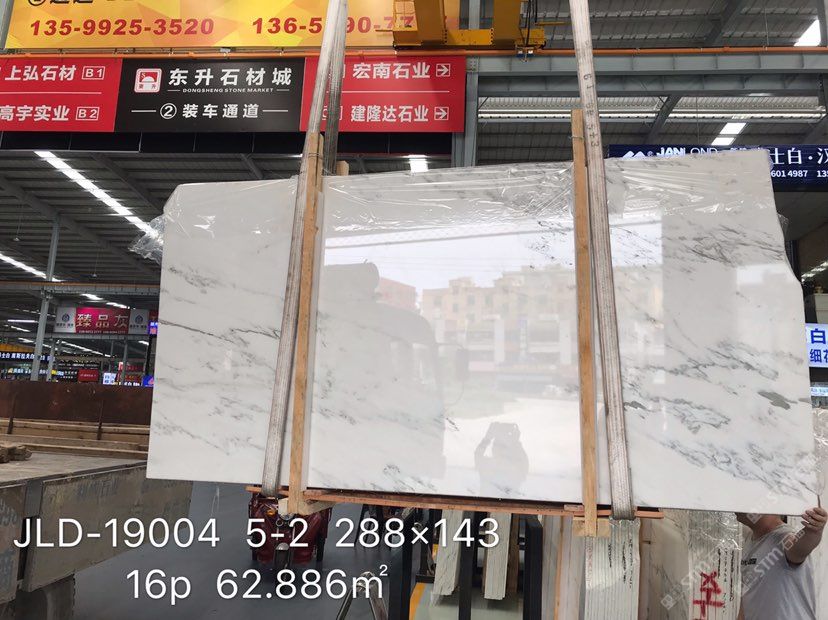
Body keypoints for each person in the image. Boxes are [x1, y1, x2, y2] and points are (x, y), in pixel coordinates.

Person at [736, 505, 827, 620]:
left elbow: (801, 546)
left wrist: (814, 531)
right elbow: (747, 597)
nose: (734, 507)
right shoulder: (750, 540)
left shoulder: (784, 537)